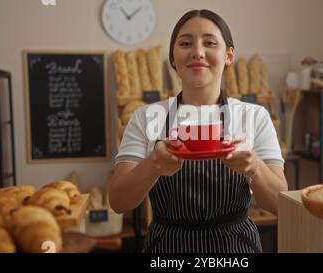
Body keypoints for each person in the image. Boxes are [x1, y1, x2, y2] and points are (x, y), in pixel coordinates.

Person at [109, 9, 288, 253]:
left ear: (229, 55)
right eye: (185, 43)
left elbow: (280, 203)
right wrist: (153, 165)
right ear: (173, 58)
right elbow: (118, 201)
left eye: (210, 43)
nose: (197, 52)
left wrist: (254, 165)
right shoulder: (146, 117)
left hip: (235, 250)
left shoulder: (254, 116)